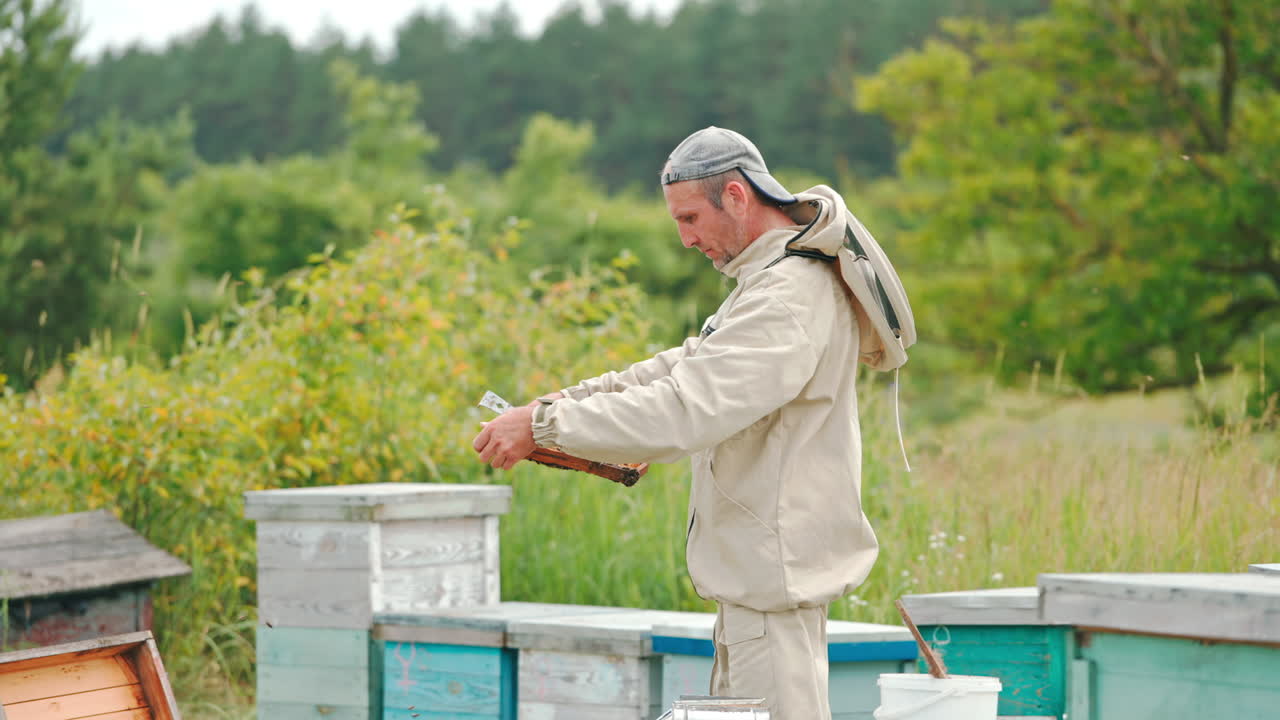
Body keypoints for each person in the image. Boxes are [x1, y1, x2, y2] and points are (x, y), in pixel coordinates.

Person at [472, 126, 888, 720]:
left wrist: (542, 426)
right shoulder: (767, 282)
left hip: (771, 593)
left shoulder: (788, 295)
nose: (686, 239)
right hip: (757, 592)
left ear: (738, 198)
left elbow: (686, 408)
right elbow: (685, 365)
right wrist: (567, 400)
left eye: (691, 218)